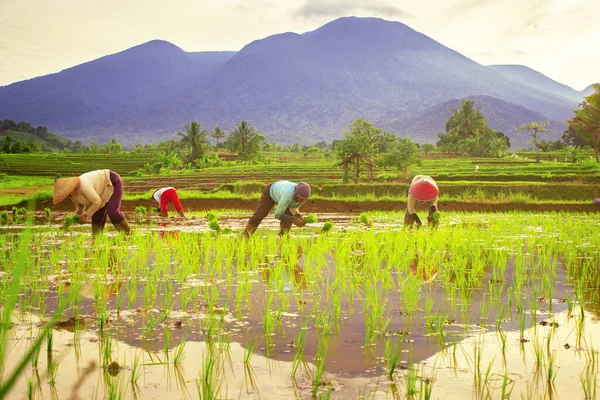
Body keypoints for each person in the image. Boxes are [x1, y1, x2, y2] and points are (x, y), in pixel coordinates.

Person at [53, 169, 130, 234]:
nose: (66, 196)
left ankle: (128, 232)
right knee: (96, 216)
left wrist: (86, 215)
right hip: (100, 192)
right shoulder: (72, 193)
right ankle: (97, 240)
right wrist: (74, 219)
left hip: (111, 181)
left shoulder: (83, 186)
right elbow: (79, 205)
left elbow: (97, 202)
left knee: (112, 211)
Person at [242, 180, 311, 237]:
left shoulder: (301, 197)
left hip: (281, 191)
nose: (302, 201)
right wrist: (293, 219)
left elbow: (293, 207)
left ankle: (283, 235)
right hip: (271, 191)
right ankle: (245, 234)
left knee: (288, 215)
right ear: (296, 194)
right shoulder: (288, 196)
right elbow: (277, 214)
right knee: (260, 214)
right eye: (301, 199)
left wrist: (298, 216)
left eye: (305, 199)